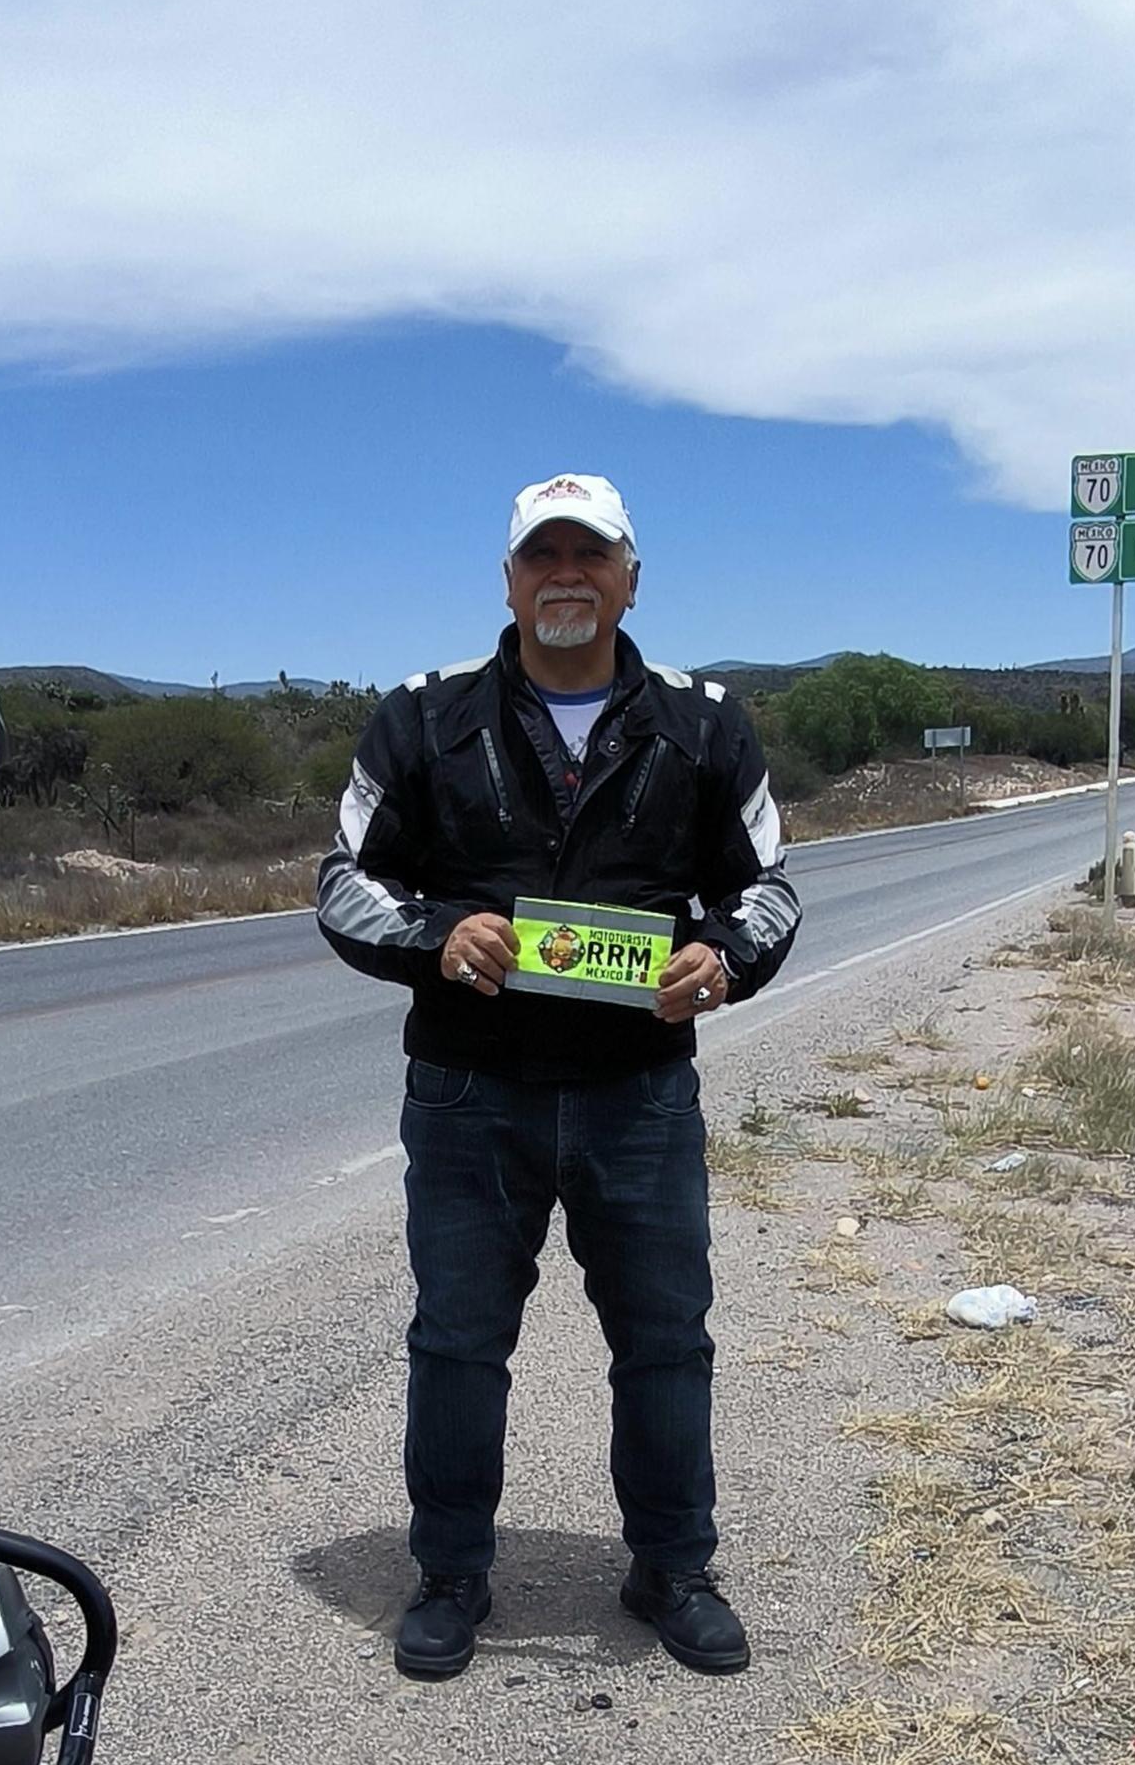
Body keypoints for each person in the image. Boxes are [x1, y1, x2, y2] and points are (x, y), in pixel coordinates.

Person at [317, 474, 800, 1681]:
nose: (566, 575)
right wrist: (440, 934)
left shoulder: (704, 724)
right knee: (459, 1343)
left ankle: (674, 1568)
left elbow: (773, 888)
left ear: (633, 576)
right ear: (511, 579)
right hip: (470, 1093)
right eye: (544, 556)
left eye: (591, 554)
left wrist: (725, 955)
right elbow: (342, 881)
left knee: (665, 1341)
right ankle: (449, 1574)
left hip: (640, 1095)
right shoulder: (423, 719)